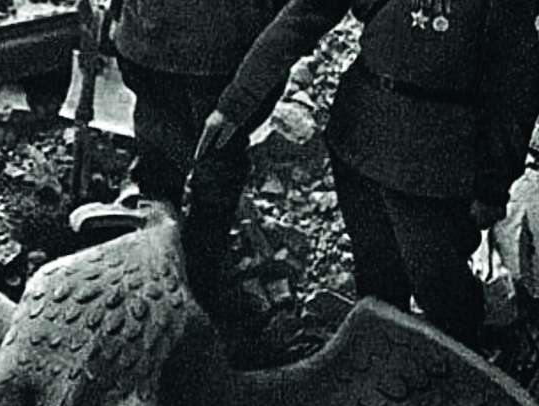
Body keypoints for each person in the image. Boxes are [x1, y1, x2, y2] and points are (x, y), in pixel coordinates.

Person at [196, 0, 539, 348]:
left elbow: (516, 93)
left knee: (442, 294)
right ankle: (382, 372)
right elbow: (303, 18)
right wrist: (235, 103)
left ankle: (456, 386)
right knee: (377, 287)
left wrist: (493, 186)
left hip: (434, 164)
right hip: (361, 139)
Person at [109, 0, 289, 331]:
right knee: (217, 173)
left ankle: (155, 268)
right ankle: (201, 290)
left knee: (159, 152)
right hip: (220, 55)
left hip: (147, 39)